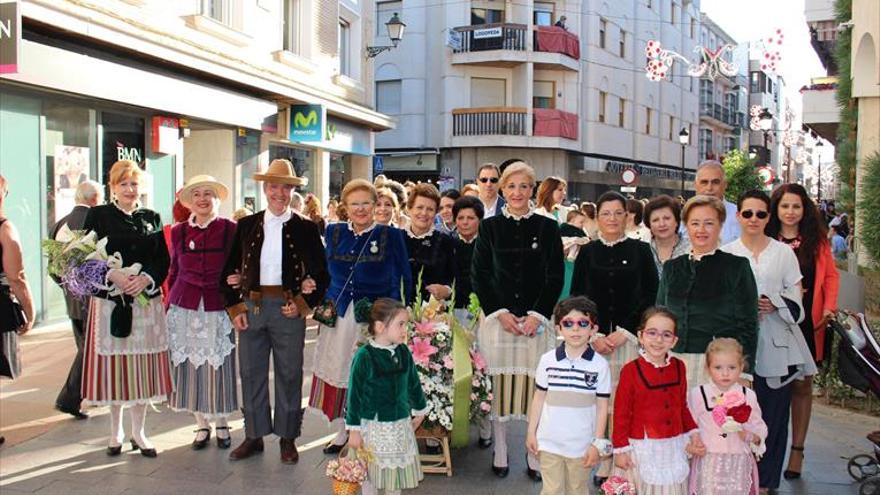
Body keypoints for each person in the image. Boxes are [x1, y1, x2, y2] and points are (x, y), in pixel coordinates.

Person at [221, 159, 329, 463]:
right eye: (273, 186)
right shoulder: (246, 225)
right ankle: (254, 436)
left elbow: (322, 273)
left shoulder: (306, 227)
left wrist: (303, 304)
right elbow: (227, 270)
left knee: (290, 373)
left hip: (287, 309)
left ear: (292, 190)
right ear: (265, 188)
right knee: (251, 372)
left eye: (285, 187)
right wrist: (235, 307)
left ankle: (287, 437)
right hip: (252, 307)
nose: (279, 192)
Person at [471, 161, 564, 480]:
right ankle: (500, 448)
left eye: (524, 186)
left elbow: (555, 275)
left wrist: (538, 315)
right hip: (499, 323)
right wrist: (500, 312)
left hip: (536, 324)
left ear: (532, 189)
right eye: (511, 186)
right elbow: (480, 275)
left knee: (534, 388)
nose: (517, 192)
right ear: (502, 189)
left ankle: (533, 449)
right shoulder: (490, 227)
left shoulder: (548, 227)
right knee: (498, 387)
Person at [722, 189, 816, 493]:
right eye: (747, 213)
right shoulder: (727, 252)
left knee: (774, 418)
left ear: (768, 217)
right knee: (734, 416)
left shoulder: (783, 253)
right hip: (736, 350)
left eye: (760, 213)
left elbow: (799, 303)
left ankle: (765, 483)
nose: (754, 219)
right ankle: (737, 479)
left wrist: (775, 302)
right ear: (738, 217)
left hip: (777, 347)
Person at [309, 179, 412, 455]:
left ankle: (370, 430)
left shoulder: (391, 235)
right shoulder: (333, 232)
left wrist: (400, 315)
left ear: (375, 204)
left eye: (366, 202)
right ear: (345, 207)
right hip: (339, 315)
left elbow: (404, 275)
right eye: (355, 204)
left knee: (368, 372)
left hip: (375, 317)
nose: (361, 209)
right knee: (341, 368)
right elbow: (321, 272)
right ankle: (343, 431)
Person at [81, 160, 173, 458]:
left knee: (141, 372)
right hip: (111, 302)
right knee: (115, 370)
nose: (130, 189)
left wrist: (145, 278)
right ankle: (115, 431)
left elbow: (162, 260)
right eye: (124, 184)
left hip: (145, 304)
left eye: (134, 184)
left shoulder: (152, 217)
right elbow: (85, 256)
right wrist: (113, 275)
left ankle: (139, 432)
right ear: (113, 187)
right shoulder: (98, 215)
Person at [765, 183, 839, 480]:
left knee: (801, 386)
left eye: (796, 206)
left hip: (806, 322)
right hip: (771, 321)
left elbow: (831, 278)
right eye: (785, 206)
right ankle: (768, 449)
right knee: (771, 386)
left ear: (804, 209)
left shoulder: (816, 242)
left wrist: (827, 309)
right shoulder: (766, 237)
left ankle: (797, 450)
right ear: (776, 209)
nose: (790, 212)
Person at [166, 175, 239, 450]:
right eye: (197, 194)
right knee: (190, 368)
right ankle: (200, 424)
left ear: (217, 199)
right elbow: (174, 269)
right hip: (184, 305)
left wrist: (239, 279)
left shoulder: (230, 228)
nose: (202, 199)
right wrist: (167, 306)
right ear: (190, 202)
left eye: (208, 193)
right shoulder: (178, 231)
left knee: (219, 366)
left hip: (217, 304)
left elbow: (239, 264)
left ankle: (221, 422)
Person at [656, 195, 758, 387]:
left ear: (720, 226)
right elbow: (660, 315)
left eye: (709, 223)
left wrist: (745, 372)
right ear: (686, 226)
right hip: (673, 362)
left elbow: (749, 324)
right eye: (695, 223)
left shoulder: (736, 267)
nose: (701, 230)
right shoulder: (672, 268)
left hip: (720, 366)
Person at [612, 307, 705, 493]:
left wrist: (694, 433)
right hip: (642, 447)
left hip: (673, 445)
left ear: (674, 341)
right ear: (640, 336)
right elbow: (621, 413)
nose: (658, 340)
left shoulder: (679, 367)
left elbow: (682, 406)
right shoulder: (631, 370)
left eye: (666, 334)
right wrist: (620, 449)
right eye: (652, 333)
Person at [526, 296, 610, 495]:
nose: (575, 329)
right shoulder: (548, 361)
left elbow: (602, 406)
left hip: (581, 445)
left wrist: (597, 443)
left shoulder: (599, 365)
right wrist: (531, 432)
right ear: (558, 328)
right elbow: (539, 398)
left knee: (577, 490)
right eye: (568, 323)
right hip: (549, 442)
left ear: (594, 329)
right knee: (552, 490)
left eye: (583, 323)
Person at [346, 298, 427, 495]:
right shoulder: (364, 356)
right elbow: (354, 395)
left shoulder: (403, 352)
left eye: (405, 324)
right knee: (370, 473)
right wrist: (354, 431)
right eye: (400, 324)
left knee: (394, 476)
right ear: (381, 326)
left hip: (398, 425)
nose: (404, 330)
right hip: (372, 427)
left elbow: (413, 383)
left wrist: (419, 410)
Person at [570, 191, 658, 339]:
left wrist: (626, 331)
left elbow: (651, 293)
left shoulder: (642, 250)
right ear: (597, 218)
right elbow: (577, 294)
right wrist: (592, 333)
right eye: (606, 213)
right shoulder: (587, 251)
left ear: (626, 216)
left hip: (633, 336)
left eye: (618, 213)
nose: (612, 218)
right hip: (592, 336)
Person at [50, 180, 103, 419]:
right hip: (92, 294)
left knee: (84, 345)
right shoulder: (96, 220)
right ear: (95, 198)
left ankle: (88, 394)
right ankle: (69, 398)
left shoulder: (60, 223)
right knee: (89, 348)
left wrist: (68, 286)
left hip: (71, 294)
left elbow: (53, 267)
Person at [688, 338, 767, 495]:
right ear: (708, 368)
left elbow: (758, 426)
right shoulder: (698, 394)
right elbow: (689, 425)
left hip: (738, 461)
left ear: (741, 367)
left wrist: (751, 436)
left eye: (732, 367)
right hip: (708, 461)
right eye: (718, 367)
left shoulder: (748, 395)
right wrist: (693, 443)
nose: (725, 373)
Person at [404, 183, 456, 303]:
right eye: (419, 207)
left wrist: (446, 290)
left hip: (434, 314)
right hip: (398, 313)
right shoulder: (396, 238)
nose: (424, 213)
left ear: (436, 213)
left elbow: (454, 279)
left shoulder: (446, 241)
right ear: (409, 209)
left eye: (430, 209)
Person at [691, 160, 741, 245]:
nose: (709, 188)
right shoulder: (684, 217)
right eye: (704, 182)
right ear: (695, 185)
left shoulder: (741, 217)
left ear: (725, 185)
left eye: (715, 182)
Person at [644, 195, 690, 278]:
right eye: (655, 220)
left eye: (667, 218)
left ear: (676, 221)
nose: (662, 224)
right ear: (649, 225)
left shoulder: (692, 249)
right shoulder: (643, 250)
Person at [558, 210, 590, 300]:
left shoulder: (581, 231)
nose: (582, 225)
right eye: (581, 222)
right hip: (566, 262)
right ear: (572, 220)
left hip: (576, 262)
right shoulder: (564, 229)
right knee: (567, 283)